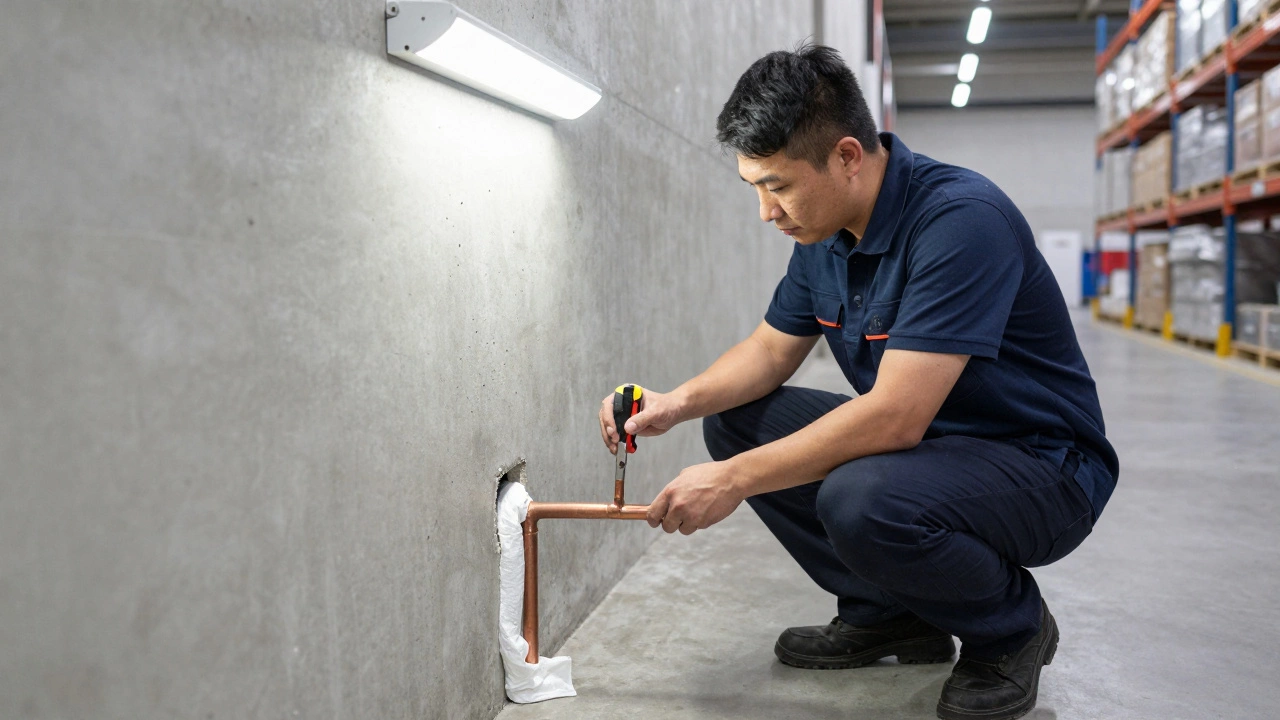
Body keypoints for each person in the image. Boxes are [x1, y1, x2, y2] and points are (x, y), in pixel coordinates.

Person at [597, 43, 1118, 720]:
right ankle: (891, 614)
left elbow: (896, 417)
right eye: (754, 187)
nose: (766, 212)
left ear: (847, 156)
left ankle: (1010, 629)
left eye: (778, 186)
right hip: (933, 450)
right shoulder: (824, 235)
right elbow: (768, 351)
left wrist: (732, 480)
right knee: (734, 421)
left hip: (1042, 466)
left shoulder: (961, 221)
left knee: (861, 499)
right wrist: (676, 403)